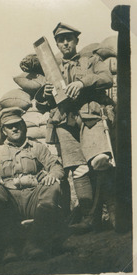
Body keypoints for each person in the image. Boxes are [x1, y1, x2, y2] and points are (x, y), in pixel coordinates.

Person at [35, 22, 116, 232]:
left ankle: (114, 211)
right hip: (63, 123)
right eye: (61, 40)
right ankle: (90, 219)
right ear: (57, 44)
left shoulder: (91, 60)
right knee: (78, 170)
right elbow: (42, 105)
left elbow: (107, 78)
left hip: (89, 117)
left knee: (100, 162)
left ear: (76, 40)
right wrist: (44, 96)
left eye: (68, 38)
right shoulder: (51, 68)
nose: (65, 43)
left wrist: (82, 83)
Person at [0, 107, 68, 263]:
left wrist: (53, 175)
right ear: (3, 131)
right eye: (9, 126)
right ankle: (10, 247)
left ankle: (33, 244)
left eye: (18, 124)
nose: (14, 128)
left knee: (52, 186)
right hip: (10, 202)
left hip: (34, 198)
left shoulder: (37, 147)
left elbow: (56, 166)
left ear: (24, 126)